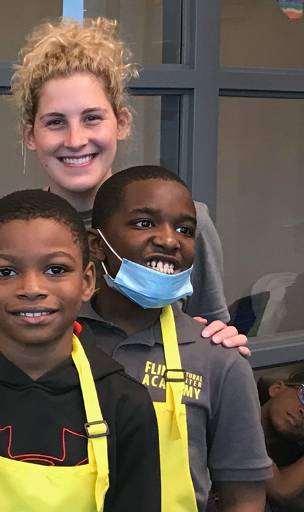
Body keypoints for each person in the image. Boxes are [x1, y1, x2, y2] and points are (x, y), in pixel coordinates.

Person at [0, 189, 160, 511]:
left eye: (56, 270)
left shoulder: (124, 402)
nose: (32, 289)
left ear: (88, 281)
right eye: (6, 272)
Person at [12, 17, 230, 323]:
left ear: (123, 123)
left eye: (92, 118)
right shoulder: (10, 231)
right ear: (30, 136)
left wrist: (220, 339)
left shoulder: (185, 225)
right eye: (55, 122)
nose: (75, 140)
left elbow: (215, 337)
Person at [80, 165, 269, 511]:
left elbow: (245, 498)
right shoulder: (58, 341)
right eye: (144, 223)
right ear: (97, 244)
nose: (169, 240)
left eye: (184, 229)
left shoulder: (219, 358)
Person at [261, 371, 304, 511]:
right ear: (276, 389)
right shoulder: (231, 417)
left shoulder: (291, 461)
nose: (303, 411)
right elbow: (280, 489)